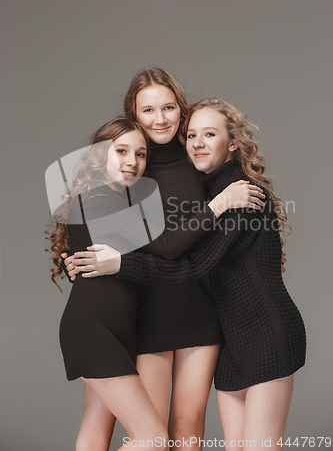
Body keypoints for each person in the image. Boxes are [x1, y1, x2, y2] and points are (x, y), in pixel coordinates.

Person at [70, 98, 305, 451]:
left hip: (243, 326)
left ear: (234, 141)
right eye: (192, 134)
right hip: (201, 329)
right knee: (178, 438)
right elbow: (112, 231)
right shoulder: (150, 181)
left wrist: (119, 263)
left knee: (222, 437)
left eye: (209, 134)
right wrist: (79, 257)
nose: (197, 142)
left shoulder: (230, 189)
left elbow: (192, 259)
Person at [47, 117, 170, 451]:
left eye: (141, 154)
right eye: (121, 151)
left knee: (94, 434)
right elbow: (165, 249)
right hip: (94, 331)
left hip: (111, 330)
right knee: (153, 439)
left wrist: (71, 261)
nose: (132, 161)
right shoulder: (100, 198)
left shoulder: (103, 200)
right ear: (99, 156)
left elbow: (88, 255)